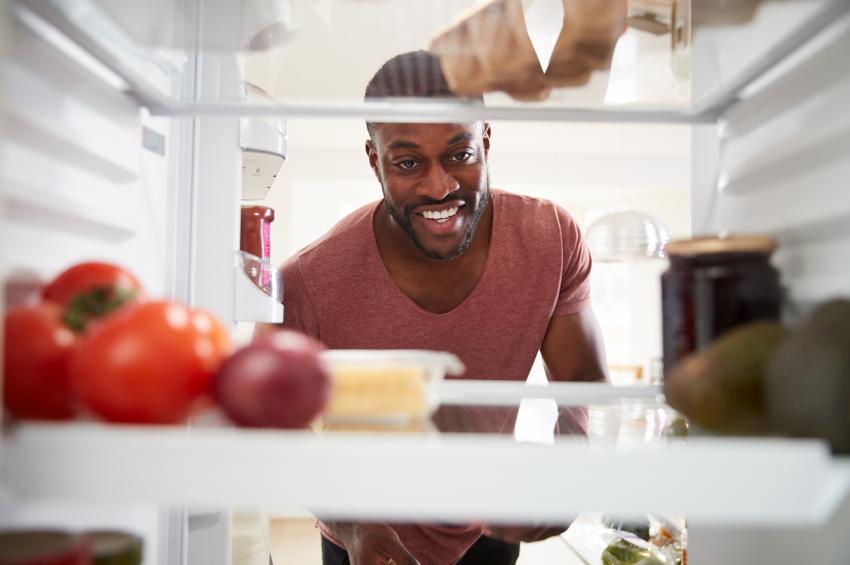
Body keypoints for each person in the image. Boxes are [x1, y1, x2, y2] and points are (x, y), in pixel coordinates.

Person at [261, 49, 608, 565]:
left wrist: (569, 479)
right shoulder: (309, 281)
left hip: (490, 525)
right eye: (407, 163)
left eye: (459, 155)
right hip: (364, 531)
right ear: (374, 161)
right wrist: (353, 527)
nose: (438, 185)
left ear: (486, 140)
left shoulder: (551, 238)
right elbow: (274, 423)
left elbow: (582, 380)